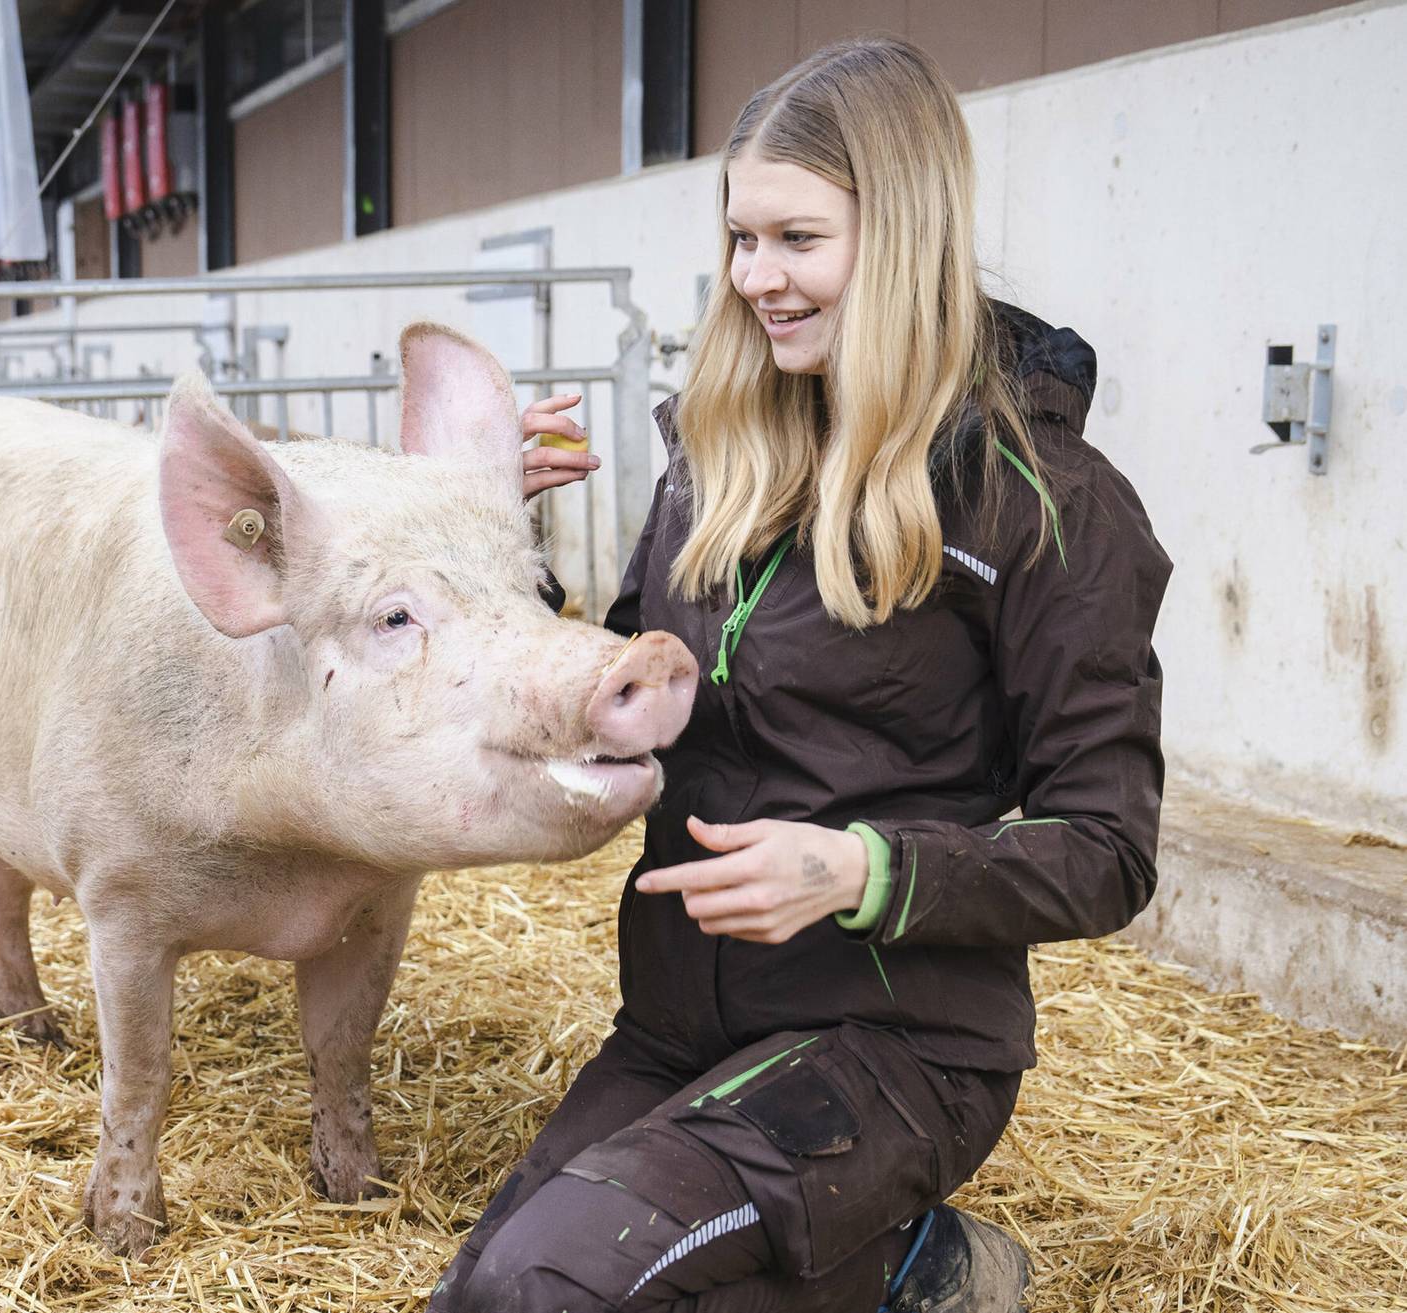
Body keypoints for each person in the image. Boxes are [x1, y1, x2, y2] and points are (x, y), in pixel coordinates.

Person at [435, 35, 1171, 1313]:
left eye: (796, 241)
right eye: (740, 238)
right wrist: (495, 531)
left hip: (891, 1043)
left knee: (556, 1286)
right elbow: (626, 700)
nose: (754, 278)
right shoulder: (715, 458)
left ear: (901, 235)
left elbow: (1109, 846)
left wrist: (860, 868)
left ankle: (920, 1270)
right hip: (683, 1021)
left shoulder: (1038, 506)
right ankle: (907, 1270)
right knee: (482, 1291)